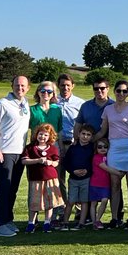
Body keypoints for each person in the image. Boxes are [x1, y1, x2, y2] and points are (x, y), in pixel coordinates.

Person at [0, 75, 30, 237]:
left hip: (20, 153)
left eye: (23, 86)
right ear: (12, 86)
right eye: (17, 85)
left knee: (13, 189)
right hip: (4, 153)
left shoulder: (25, 104)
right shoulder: (2, 104)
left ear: (28, 88)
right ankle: (0, 225)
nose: (20, 88)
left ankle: (8, 220)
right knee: (4, 189)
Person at [97, 80, 128, 229]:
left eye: (124, 91)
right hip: (114, 148)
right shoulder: (108, 109)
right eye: (118, 91)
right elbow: (103, 130)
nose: (121, 94)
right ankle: (115, 217)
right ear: (114, 92)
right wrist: (90, 139)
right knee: (115, 184)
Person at [29, 81, 64, 228]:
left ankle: (52, 218)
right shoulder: (32, 110)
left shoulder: (57, 110)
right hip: (35, 150)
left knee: (54, 183)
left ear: (53, 94)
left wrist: (60, 150)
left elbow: (60, 132)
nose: (46, 94)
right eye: (43, 91)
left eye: (49, 92)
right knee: (35, 184)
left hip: (53, 149)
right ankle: (33, 219)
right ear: (38, 92)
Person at [55, 74, 86, 224]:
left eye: (68, 85)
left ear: (72, 86)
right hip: (58, 144)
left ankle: (79, 210)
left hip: (74, 144)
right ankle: (62, 208)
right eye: (62, 85)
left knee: (77, 177)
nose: (65, 88)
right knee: (59, 178)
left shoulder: (80, 103)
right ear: (58, 86)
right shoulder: (53, 102)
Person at [21, 123, 63, 233]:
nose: (42, 137)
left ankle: (47, 223)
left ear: (50, 137)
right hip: (35, 179)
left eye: (45, 135)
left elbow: (56, 163)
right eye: (41, 134)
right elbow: (24, 161)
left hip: (50, 178)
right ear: (36, 134)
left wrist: (50, 162)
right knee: (34, 202)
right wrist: (38, 160)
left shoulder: (52, 148)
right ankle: (31, 223)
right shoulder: (30, 147)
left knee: (49, 202)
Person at [63, 124, 95, 230]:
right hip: (73, 179)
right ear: (79, 134)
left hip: (86, 179)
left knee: (84, 201)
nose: (85, 136)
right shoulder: (73, 148)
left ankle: (81, 223)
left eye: (88, 135)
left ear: (91, 137)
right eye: (83, 134)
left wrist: (87, 170)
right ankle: (65, 222)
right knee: (71, 201)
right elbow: (66, 162)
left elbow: (94, 163)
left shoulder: (92, 148)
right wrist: (73, 171)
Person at [90, 138, 115, 229]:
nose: (103, 148)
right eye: (100, 147)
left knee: (104, 200)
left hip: (105, 184)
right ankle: (94, 222)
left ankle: (98, 219)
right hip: (94, 183)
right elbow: (106, 168)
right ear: (96, 148)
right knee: (94, 203)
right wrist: (118, 173)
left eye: (105, 147)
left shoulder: (109, 157)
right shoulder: (96, 158)